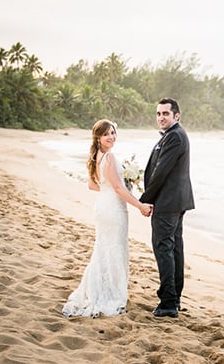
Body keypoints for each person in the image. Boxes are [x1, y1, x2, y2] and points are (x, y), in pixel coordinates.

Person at [62, 119, 153, 318]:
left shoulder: (95, 156)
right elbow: (118, 188)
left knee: (104, 248)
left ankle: (98, 289)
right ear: (98, 138)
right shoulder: (109, 158)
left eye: (113, 133)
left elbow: (93, 185)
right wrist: (140, 205)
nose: (111, 137)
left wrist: (113, 187)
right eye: (106, 134)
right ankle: (110, 293)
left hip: (103, 206)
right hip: (113, 210)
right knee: (114, 249)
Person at [140, 98, 195, 318]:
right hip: (176, 201)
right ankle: (174, 298)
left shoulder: (175, 137)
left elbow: (161, 172)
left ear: (176, 116)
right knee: (173, 249)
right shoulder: (173, 136)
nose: (161, 117)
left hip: (168, 202)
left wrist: (145, 199)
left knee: (165, 249)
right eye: (158, 114)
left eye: (165, 113)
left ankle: (169, 302)